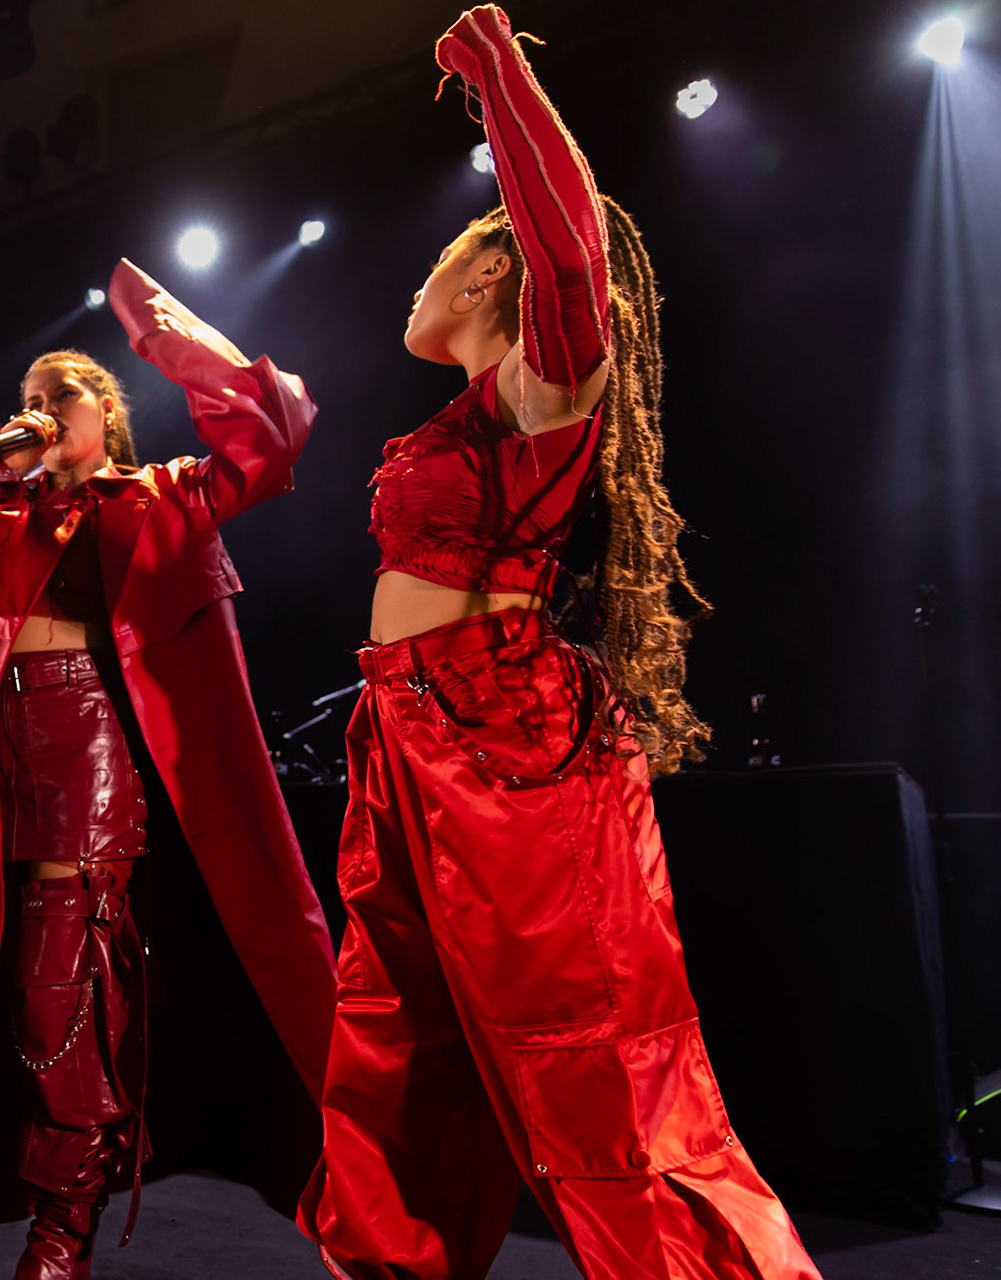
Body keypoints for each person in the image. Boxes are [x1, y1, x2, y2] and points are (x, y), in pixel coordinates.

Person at [296, 9, 822, 1280]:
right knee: (396, 1042)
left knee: (593, 1058)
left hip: (504, 733)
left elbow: (573, 259)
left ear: (488, 271)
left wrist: (496, 67)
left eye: (440, 262)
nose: (416, 286)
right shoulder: (468, 417)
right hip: (404, 727)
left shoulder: (545, 387)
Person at [0, 259, 338, 1280]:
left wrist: (161, 333)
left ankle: (63, 1221)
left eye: (57, 394)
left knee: (61, 985)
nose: (36, 409)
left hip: (91, 745)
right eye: (24, 397)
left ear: (106, 411)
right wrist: (1, 461)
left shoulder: (164, 495)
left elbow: (272, 431)